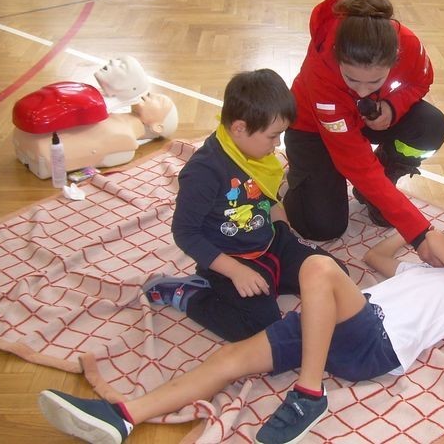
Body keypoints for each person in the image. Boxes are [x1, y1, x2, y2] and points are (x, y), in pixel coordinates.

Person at [37, 227, 444, 444]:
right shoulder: (431, 272)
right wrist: (408, 229)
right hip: (334, 323)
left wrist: (427, 236)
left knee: (319, 266)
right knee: (230, 358)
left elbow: (436, 238)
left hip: (375, 343)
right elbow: (376, 258)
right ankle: (124, 416)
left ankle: (309, 394)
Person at [146, 69, 346, 342]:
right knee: (260, 328)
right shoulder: (204, 171)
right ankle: (190, 294)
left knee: (336, 276)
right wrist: (236, 271)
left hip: (271, 242)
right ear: (239, 128)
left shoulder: (256, 153)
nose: (277, 144)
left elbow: (268, 196)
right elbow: (185, 233)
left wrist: (283, 229)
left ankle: (272, 282)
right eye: (273, 136)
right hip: (231, 258)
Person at [283, 0, 444, 251]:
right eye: (351, 79)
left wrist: (393, 107)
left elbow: (421, 80)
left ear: (395, 57)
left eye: (374, 81)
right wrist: (419, 233)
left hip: (365, 119)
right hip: (312, 130)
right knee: (322, 227)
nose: (362, 91)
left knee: (430, 125)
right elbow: (357, 163)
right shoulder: (321, 69)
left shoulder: (408, 44)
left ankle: (387, 168)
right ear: (337, 56)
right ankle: (298, 178)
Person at [13, 88, 178, 179]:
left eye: (159, 100)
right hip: (39, 144)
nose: (150, 94)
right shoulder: (117, 118)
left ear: (157, 127)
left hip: (42, 147)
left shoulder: (126, 139)